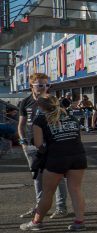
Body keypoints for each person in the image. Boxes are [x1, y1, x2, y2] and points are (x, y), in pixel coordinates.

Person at [19, 94, 88, 232]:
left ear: (40, 106)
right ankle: (79, 222)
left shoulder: (40, 120)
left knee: (48, 192)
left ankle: (36, 222)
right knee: (75, 189)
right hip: (78, 156)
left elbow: (38, 144)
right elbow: (77, 136)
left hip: (56, 158)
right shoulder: (70, 116)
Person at [18, 73, 69, 219]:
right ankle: (40, 207)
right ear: (31, 86)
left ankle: (61, 207)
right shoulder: (25, 102)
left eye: (47, 85)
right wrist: (23, 142)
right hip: (32, 146)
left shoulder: (52, 101)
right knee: (37, 178)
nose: (44, 87)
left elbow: (62, 122)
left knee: (57, 177)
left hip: (51, 145)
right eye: (40, 85)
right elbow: (21, 125)